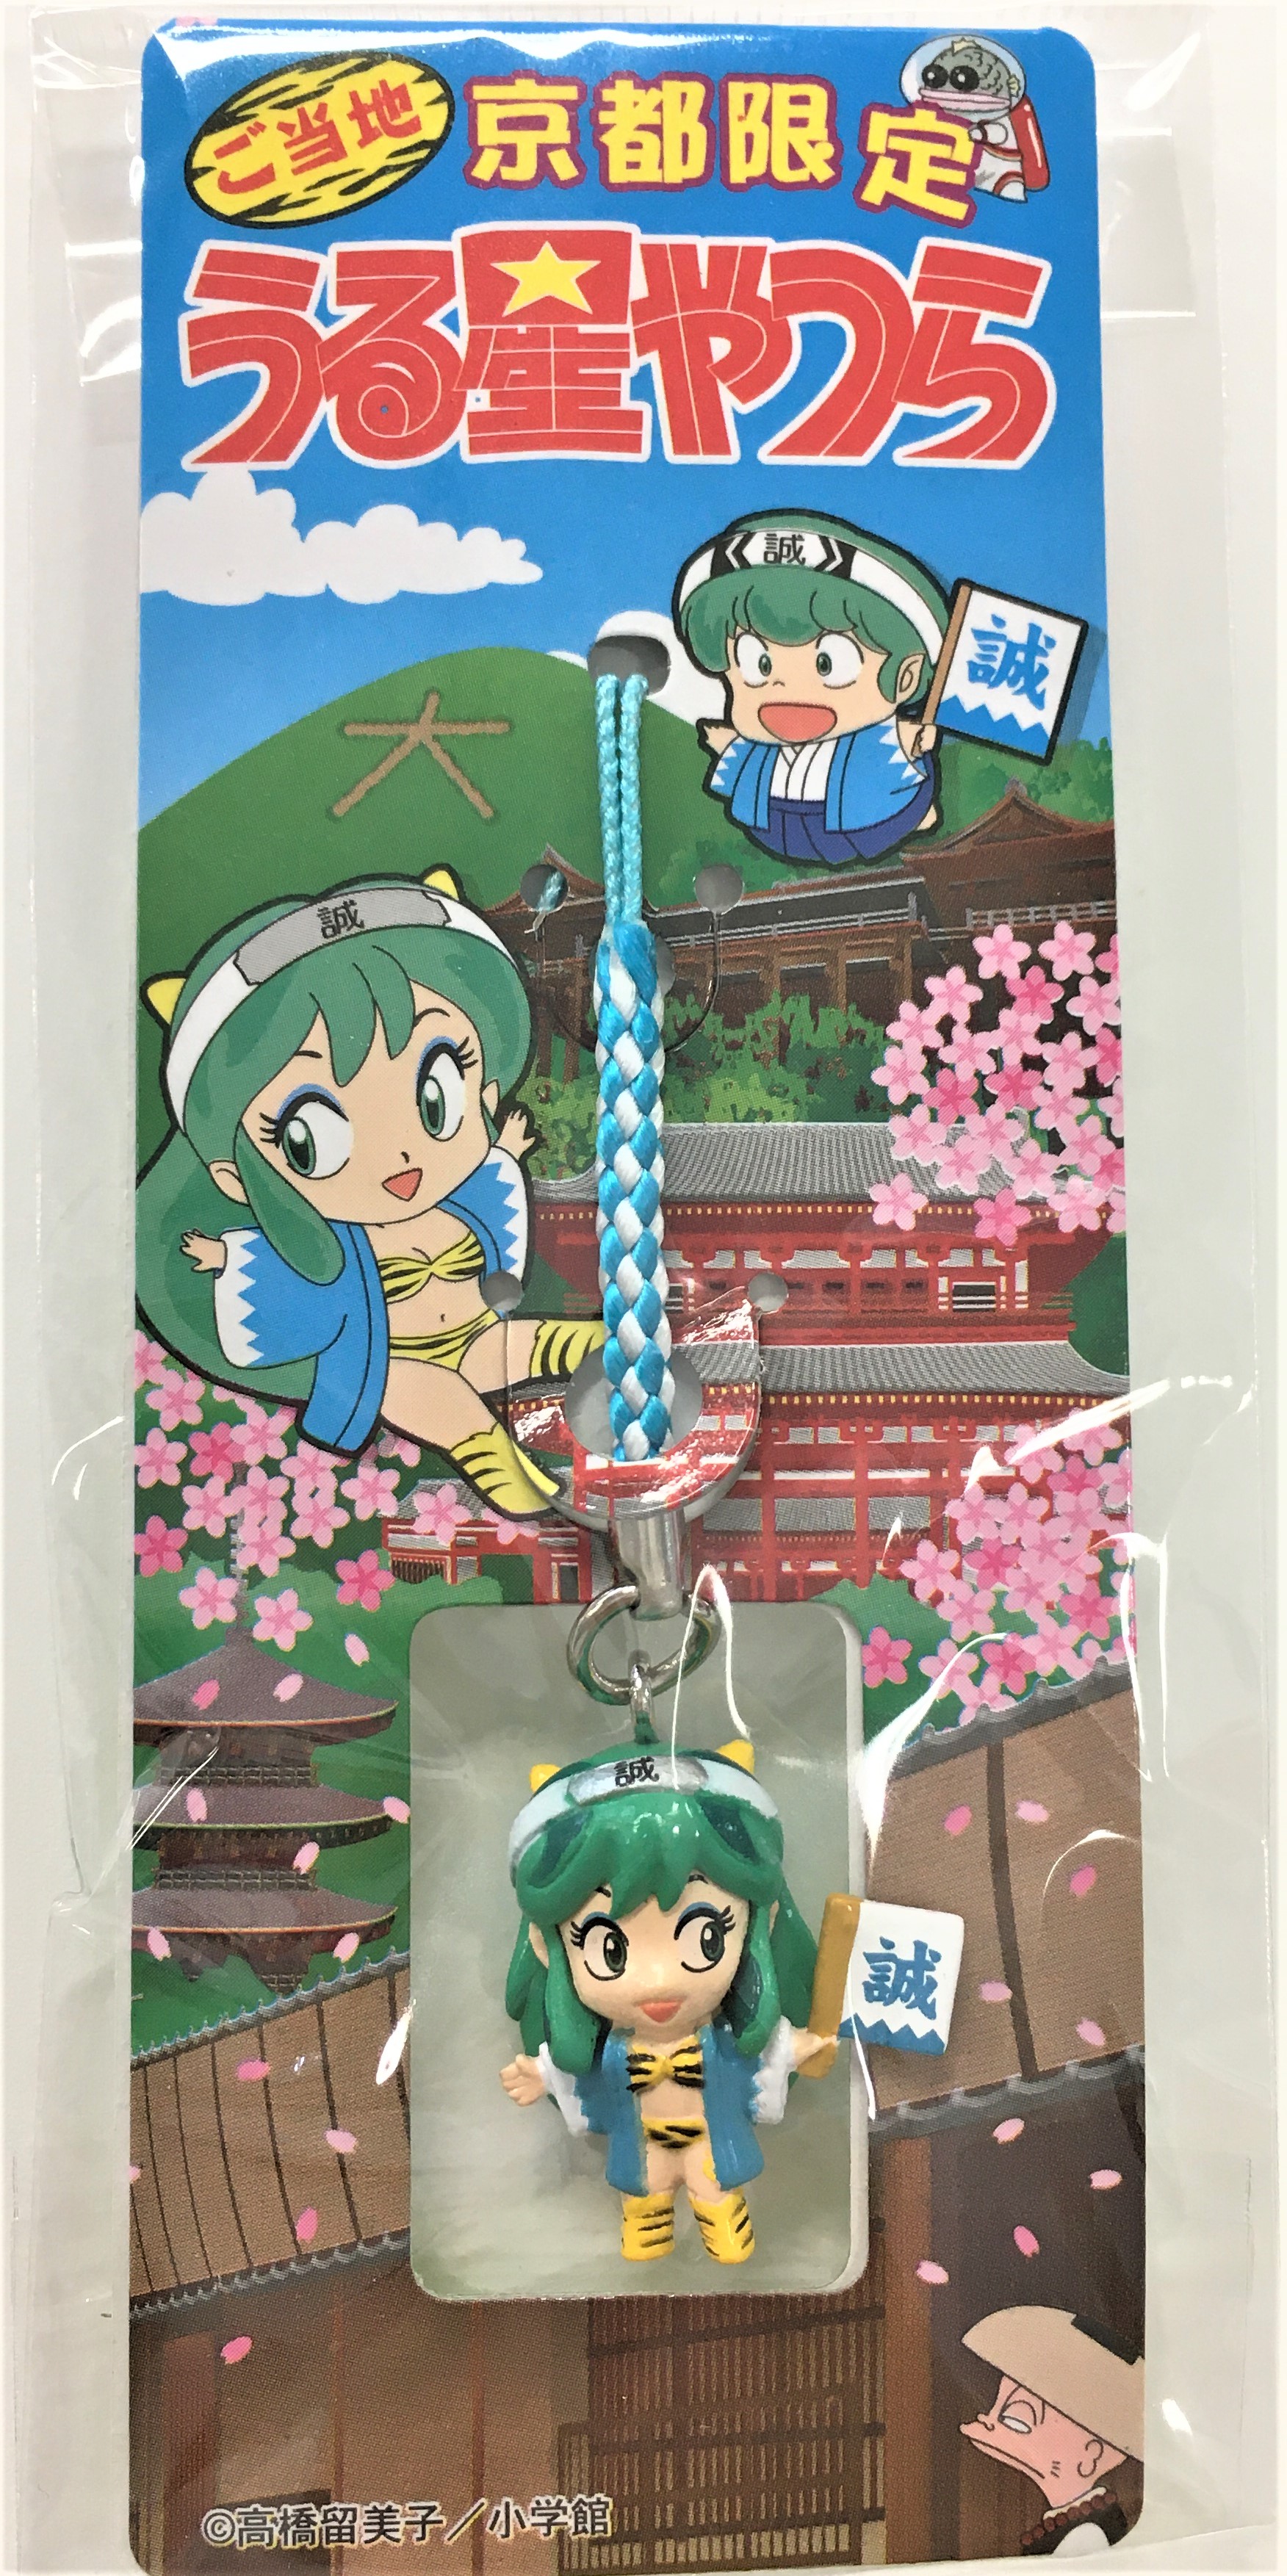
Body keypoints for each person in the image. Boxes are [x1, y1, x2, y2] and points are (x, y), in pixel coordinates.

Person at [136, 869, 603, 1518]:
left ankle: (607, 1357)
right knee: (456, 1410)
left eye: (436, 1093)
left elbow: (496, 1196)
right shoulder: (323, 1247)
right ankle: (508, 1474)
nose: (399, 1157)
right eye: (311, 1138)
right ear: (236, 1177)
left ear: (486, 1087)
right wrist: (227, 1258)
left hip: (477, 1330)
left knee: (541, 1342)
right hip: (393, 1362)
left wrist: (504, 1153)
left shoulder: (464, 1197)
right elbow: (279, 1275)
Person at [500, 1741, 826, 2264]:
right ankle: (647, 2239)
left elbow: (766, 2056)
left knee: (716, 2194)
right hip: (641, 2149)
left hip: (713, 2144)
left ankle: (727, 2237)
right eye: (609, 1949)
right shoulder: (612, 2052)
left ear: (757, 1921)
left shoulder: (722, 2040)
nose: (656, 1981)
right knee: (644, 2199)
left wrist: (797, 2048)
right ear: (548, 1946)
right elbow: (583, 2079)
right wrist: (544, 2077)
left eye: (706, 1937)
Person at [673, 509, 948, 871]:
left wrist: (911, 739)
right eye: (760, 664)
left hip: (861, 823)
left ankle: (915, 814)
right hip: (774, 821)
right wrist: (729, 745)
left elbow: (902, 747)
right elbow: (743, 763)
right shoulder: (762, 751)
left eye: (827, 664)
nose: (784, 686)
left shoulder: (873, 745)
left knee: (895, 791)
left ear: (905, 678)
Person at [959, 2306, 1144, 2554]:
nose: (987, 2421)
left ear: (1090, 2456)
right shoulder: (1071, 2524)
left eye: (1017, 2420)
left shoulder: (1087, 2535)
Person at [901, 34, 1050, 203]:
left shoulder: (1000, 115)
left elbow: (1000, 133)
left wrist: (981, 133)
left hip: (1002, 170)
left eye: (962, 80)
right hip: (965, 171)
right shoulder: (944, 118)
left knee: (1010, 190)